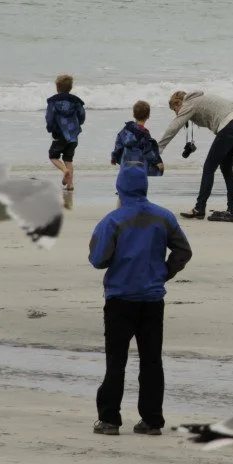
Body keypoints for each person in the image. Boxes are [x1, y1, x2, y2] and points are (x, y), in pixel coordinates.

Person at [89, 165, 193, 436]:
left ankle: (110, 419)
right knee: (151, 361)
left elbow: (98, 259)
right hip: (151, 299)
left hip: (121, 298)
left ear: (120, 189)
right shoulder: (164, 216)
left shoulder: (112, 220)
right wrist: (164, 273)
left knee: (116, 361)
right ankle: (152, 420)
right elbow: (183, 250)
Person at [157, 90, 233, 221]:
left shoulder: (189, 103)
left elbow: (174, 127)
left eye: (174, 109)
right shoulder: (200, 99)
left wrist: (159, 148)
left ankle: (199, 209)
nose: (176, 113)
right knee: (226, 168)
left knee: (208, 169)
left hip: (229, 127)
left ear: (178, 103)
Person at [45, 74, 86, 191]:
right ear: (70, 88)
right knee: (68, 159)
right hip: (73, 135)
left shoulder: (53, 102)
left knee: (53, 156)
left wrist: (50, 128)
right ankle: (70, 184)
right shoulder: (76, 102)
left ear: (57, 87)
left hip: (59, 133)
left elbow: (50, 117)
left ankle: (64, 170)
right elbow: (82, 116)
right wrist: (78, 124)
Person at [111, 100, 165, 177]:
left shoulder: (125, 130)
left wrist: (114, 156)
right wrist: (158, 163)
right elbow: (149, 151)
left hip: (126, 164)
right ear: (148, 116)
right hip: (140, 166)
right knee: (158, 168)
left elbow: (118, 144)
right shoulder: (144, 134)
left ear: (133, 115)